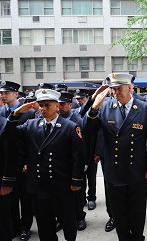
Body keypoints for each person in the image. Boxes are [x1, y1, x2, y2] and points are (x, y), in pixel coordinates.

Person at [84, 72, 147, 241]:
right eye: (113, 89)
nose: (115, 93)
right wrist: (94, 108)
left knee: (137, 213)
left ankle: (138, 237)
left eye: (119, 89)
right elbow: (88, 131)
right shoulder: (105, 107)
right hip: (113, 170)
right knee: (119, 214)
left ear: (130, 87)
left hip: (137, 170)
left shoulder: (144, 108)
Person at [7, 89, 84, 241]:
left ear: (57, 106)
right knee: (45, 227)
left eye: (47, 105)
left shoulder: (70, 127)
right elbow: (8, 134)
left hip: (62, 185)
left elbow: (78, 157)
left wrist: (76, 181)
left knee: (68, 224)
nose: (43, 108)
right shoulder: (31, 125)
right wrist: (15, 114)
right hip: (40, 186)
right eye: (41, 105)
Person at [0, 81, 35, 241]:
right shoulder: (2, 113)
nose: (3, 95)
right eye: (2, 93)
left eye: (7, 93)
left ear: (16, 94)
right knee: (10, 200)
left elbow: (30, 141)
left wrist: (28, 161)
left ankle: (24, 227)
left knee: (25, 198)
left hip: (22, 163)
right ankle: (13, 226)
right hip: (7, 165)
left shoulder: (27, 113)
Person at [58, 92, 88, 231]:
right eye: (58, 104)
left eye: (63, 104)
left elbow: (84, 144)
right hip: (60, 162)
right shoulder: (56, 119)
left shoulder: (79, 120)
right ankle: (61, 218)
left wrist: (84, 162)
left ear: (70, 105)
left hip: (75, 161)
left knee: (77, 192)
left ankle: (79, 217)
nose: (60, 107)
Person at [0, 115, 17, 241]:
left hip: (1, 180)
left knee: (2, 218)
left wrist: (7, 181)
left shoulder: (3, 123)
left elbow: (10, 154)